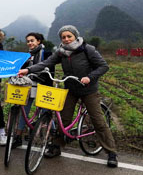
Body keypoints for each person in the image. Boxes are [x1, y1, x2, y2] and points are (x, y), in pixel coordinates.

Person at [17, 25, 118, 167]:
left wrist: (89, 77)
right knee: (63, 119)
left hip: (88, 90)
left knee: (98, 121)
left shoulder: (87, 49)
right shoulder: (61, 52)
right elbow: (46, 63)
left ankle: (111, 152)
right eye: (63, 37)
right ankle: (57, 146)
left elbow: (103, 66)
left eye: (69, 36)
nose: (66, 39)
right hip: (70, 88)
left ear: (75, 36)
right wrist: (27, 70)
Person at [11, 32, 53, 149]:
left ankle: (51, 138)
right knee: (24, 110)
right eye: (28, 41)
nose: (30, 43)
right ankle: (18, 136)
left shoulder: (48, 53)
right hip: (29, 85)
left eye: (32, 40)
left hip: (44, 86)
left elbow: (50, 69)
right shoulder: (27, 56)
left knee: (46, 112)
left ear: (38, 41)